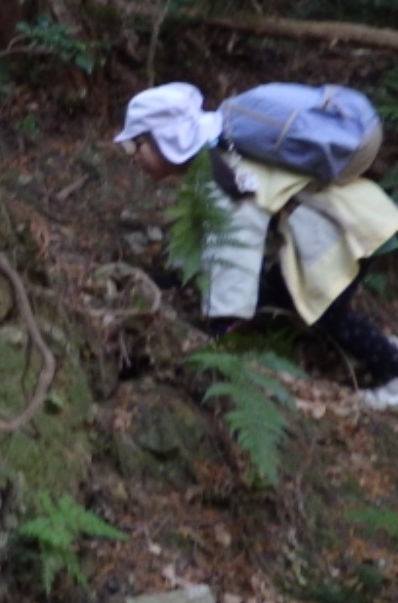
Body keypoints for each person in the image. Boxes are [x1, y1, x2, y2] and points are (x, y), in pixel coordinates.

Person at [115, 82, 398, 406]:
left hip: (348, 232)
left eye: (137, 145)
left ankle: (391, 371)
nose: (134, 157)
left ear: (166, 140)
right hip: (353, 219)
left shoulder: (222, 173)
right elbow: (208, 235)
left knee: (326, 312)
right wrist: (177, 278)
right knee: (278, 294)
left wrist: (222, 327)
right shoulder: (221, 152)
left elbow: (234, 249)